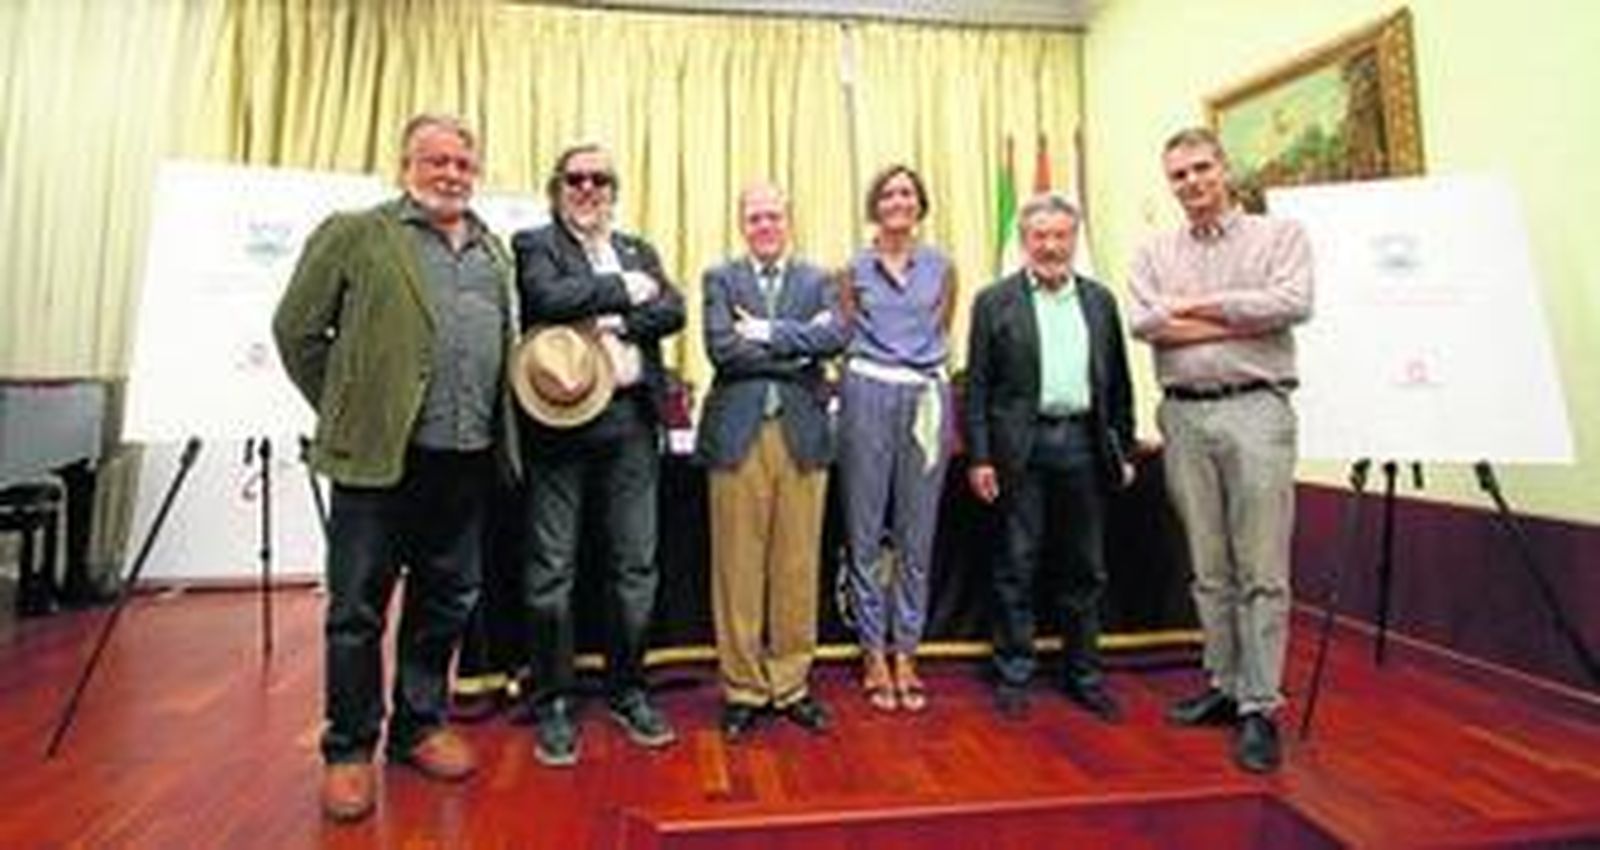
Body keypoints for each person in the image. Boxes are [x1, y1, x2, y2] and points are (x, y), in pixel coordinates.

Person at [273, 113, 517, 822]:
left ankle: (418, 725)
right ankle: (349, 748)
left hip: (466, 459)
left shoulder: (493, 251)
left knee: (445, 600)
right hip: (379, 463)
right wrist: (351, 408)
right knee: (357, 611)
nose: (450, 174)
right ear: (406, 165)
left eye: (462, 164)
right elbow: (296, 331)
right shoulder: (357, 233)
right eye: (435, 160)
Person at [1128, 127, 1313, 774]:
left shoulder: (1279, 237)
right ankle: (1226, 684)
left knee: (1261, 565)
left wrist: (1193, 308)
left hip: (1256, 409)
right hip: (1182, 415)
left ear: (1225, 169)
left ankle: (1260, 705)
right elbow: (1145, 323)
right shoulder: (1155, 251)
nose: (1192, 183)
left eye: (1202, 168)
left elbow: (1292, 303)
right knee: (1209, 565)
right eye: (1178, 175)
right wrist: (1241, 316)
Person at [512, 143, 685, 767]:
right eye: (577, 179)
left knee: (635, 566)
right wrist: (623, 292)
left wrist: (616, 321)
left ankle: (628, 690)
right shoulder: (535, 244)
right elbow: (546, 299)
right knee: (551, 570)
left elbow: (673, 309)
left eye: (600, 180)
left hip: (632, 421)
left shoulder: (639, 248)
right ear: (557, 187)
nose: (589, 189)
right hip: (558, 425)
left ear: (614, 190)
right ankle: (554, 701)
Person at [965, 192, 1135, 723]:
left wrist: (1125, 447)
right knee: (1016, 565)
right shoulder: (993, 301)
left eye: (1061, 235)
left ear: (1074, 239)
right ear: (1024, 241)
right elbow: (978, 389)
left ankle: (1084, 675)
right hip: (1020, 450)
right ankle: (1014, 673)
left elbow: (1119, 382)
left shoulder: (1100, 301)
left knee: (1085, 568)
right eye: (1040, 236)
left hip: (1084, 445)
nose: (1051, 246)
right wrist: (980, 457)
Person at [697, 183, 848, 740]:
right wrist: (799, 353)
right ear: (743, 224)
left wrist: (765, 333)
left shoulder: (820, 280)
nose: (765, 226)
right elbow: (722, 349)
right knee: (736, 567)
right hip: (738, 436)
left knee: (797, 566)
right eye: (755, 217)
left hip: (802, 435)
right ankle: (743, 688)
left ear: (788, 221)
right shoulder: (719, 278)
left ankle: (791, 684)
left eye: (773, 216)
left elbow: (835, 337)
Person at [837, 164, 956, 713]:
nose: (898, 201)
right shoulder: (852, 270)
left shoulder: (943, 267)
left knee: (917, 534)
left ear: (920, 203)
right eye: (888, 193)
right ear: (875, 205)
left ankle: (906, 651)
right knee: (864, 532)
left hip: (925, 396)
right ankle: (872, 653)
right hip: (868, 391)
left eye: (907, 192)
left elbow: (939, 329)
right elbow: (845, 332)